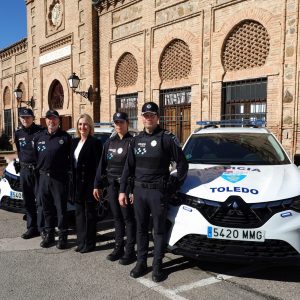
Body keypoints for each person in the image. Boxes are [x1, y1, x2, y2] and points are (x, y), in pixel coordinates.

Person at [119, 102, 188, 282]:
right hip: (139, 192)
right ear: (141, 118)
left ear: (157, 118)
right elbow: (128, 168)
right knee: (141, 230)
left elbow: (182, 164)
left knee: (158, 231)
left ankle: (157, 266)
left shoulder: (166, 138)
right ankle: (141, 263)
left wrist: (173, 185)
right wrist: (122, 191)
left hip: (158, 193)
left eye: (152, 115)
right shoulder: (136, 140)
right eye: (145, 115)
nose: (148, 118)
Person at [94, 112, 136, 265]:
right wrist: (97, 184)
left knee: (128, 219)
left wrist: (133, 190)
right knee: (117, 218)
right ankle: (118, 247)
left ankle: (130, 251)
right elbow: (102, 165)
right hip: (112, 185)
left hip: (127, 187)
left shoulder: (133, 142)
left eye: (121, 122)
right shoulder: (109, 143)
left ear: (127, 123)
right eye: (116, 122)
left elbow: (136, 168)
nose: (119, 125)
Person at [33, 110, 72, 249]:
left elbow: (70, 160)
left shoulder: (65, 137)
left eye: (54, 119)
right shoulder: (38, 137)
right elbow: (36, 158)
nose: (51, 121)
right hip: (43, 178)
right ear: (46, 120)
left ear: (58, 120)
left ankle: (62, 237)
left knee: (61, 210)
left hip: (59, 179)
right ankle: (49, 235)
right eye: (49, 119)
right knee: (46, 209)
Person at [71, 114, 103, 253]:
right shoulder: (75, 142)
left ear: (90, 126)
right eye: (80, 124)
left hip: (90, 184)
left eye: (85, 124)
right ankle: (81, 242)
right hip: (77, 185)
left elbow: (99, 166)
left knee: (89, 215)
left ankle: (89, 243)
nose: (82, 127)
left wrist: (97, 185)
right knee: (79, 214)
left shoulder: (94, 143)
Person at [14, 108, 44, 239]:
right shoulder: (18, 133)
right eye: (23, 117)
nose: (25, 120)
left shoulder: (41, 131)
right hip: (25, 170)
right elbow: (19, 151)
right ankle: (32, 228)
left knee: (41, 201)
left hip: (38, 170)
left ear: (33, 118)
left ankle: (43, 228)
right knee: (28, 201)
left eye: (28, 117)